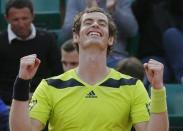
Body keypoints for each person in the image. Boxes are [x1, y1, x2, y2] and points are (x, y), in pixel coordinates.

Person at [9, 7, 169, 131]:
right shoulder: (50, 86)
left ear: (111, 39)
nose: (95, 24)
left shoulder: (132, 86)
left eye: (102, 24)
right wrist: (22, 83)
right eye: (88, 22)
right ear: (76, 36)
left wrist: (158, 90)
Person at [0, 0, 62, 105]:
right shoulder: (1, 41)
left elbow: (57, 73)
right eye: (15, 19)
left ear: (33, 16)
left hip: (44, 100)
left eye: (25, 18)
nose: (21, 24)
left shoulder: (48, 39)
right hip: (8, 103)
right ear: (6, 18)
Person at [58, 0, 138, 67]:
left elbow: (132, 30)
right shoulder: (76, 1)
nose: (95, 25)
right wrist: (89, 12)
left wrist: (113, 10)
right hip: (83, 55)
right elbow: (67, 32)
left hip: (114, 55)